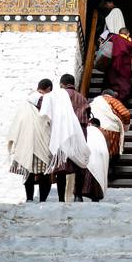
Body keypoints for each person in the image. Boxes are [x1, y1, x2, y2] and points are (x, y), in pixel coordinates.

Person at [41, 74, 91, 202]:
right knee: (80, 165)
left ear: (61, 85)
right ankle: (78, 196)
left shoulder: (58, 97)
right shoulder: (82, 98)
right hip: (79, 136)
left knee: (61, 168)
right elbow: (86, 118)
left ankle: (61, 199)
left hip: (62, 135)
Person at [7, 94, 52, 203]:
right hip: (30, 146)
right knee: (32, 173)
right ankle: (31, 199)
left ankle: (38, 200)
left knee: (42, 174)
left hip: (40, 146)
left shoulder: (27, 109)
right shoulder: (28, 109)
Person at [90, 88, 131, 176]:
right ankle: (111, 170)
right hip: (111, 130)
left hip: (95, 129)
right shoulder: (113, 100)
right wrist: (125, 126)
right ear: (112, 95)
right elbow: (125, 113)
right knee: (113, 151)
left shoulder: (94, 101)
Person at [78, 117, 110, 201]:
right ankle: (96, 197)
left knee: (87, 176)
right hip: (102, 156)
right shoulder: (104, 133)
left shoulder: (87, 130)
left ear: (90, 124)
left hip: (89, 157)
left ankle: (79, 196)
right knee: (98, 177)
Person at [105, 27, 132, 102]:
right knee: (124, 84)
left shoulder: (114, 37)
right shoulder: (130, 41)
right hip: (124, 65)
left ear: (119, 33)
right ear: (128, 34)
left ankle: (112, 99)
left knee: (112, 80)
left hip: (113, 63)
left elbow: (106, 41)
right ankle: (120, 101)